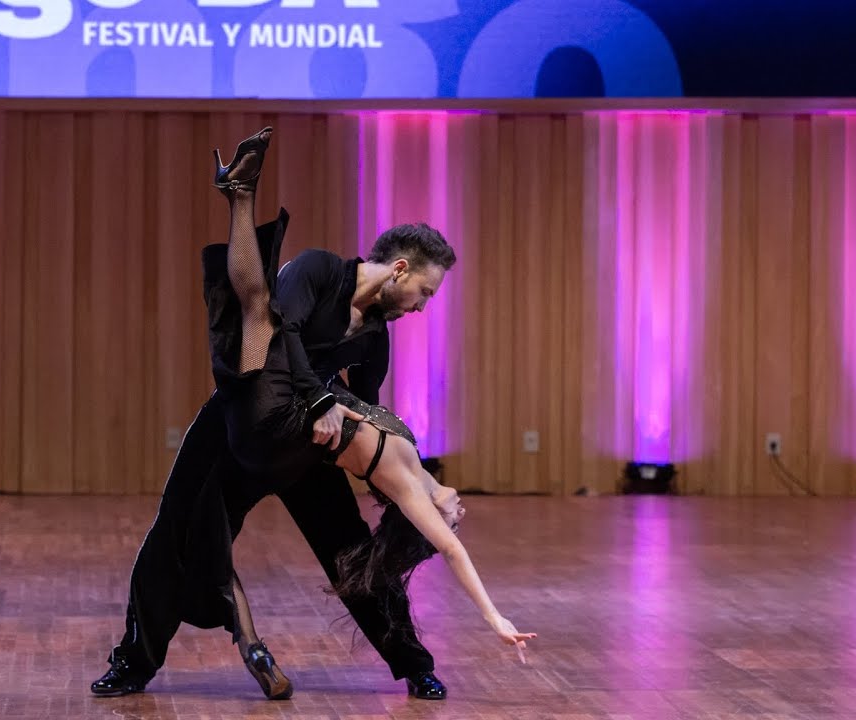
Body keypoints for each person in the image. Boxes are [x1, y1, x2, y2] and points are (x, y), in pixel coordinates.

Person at [92, 127, 533, 700]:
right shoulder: (320, 271)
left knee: (350, 552)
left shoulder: (376, 336)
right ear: (399, 268)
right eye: (425, 291)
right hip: (240, 424)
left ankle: (413, 662)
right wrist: (322, 397)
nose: (423, 306)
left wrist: (419, 486)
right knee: (172, 539)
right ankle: (133, 663)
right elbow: (281, 329)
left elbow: (369, 408)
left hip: (305, 444)